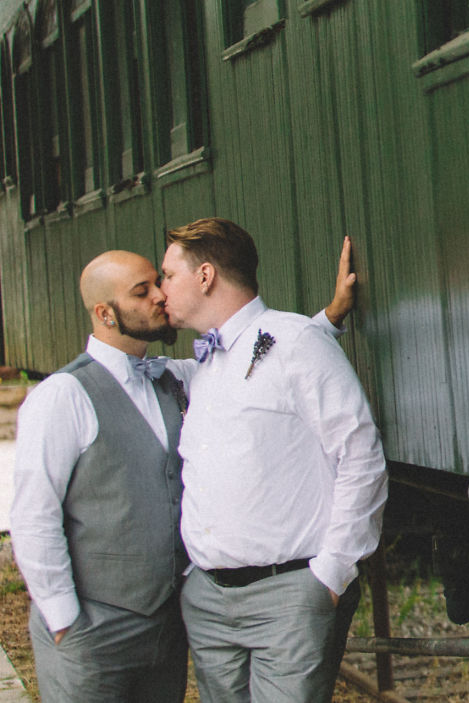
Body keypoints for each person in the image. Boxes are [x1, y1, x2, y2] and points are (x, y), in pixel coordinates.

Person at [10, 240, 355, 702]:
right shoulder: (62, 395)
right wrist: (62, 618)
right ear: (105, 314)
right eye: (141, 292)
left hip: (165, 625)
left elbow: (260, 362)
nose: (160, 295)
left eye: (158, 282)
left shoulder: (177, 376)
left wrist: (326, 321)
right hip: (92, 628)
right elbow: (34, 516)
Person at [159, 217, 387, 703]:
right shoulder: (203, 364)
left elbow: (360, 455)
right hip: (208, 602)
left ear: (205, 276)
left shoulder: (297, 343)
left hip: (289, 594)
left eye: (168, 276)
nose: (161, 291)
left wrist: (332, 573)